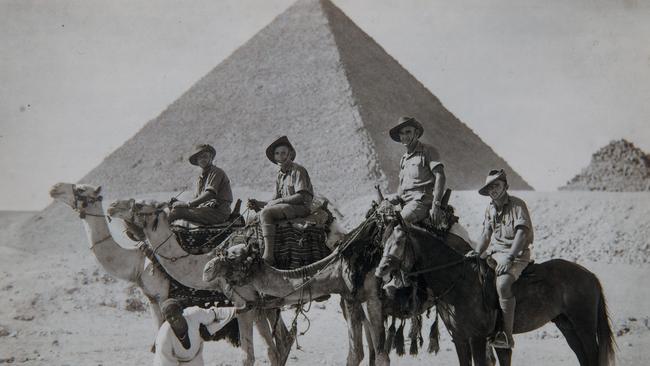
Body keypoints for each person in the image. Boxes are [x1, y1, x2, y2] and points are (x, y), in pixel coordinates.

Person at [466, 169, 534, 349]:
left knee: (503, 284)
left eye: (496, 185)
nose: (493, 190)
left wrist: (509, 258)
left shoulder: (518, 205)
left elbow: (521, 234)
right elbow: (486, 234)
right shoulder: (489, 208)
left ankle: (506, 335)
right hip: (496, 254)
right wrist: (477, 251)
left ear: (506, 186)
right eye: (490, 187)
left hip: (516, 255)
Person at [379, 116, 447, 293]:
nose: (404, 136)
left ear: (416, 132)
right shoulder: (404, 159)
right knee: (379, 223)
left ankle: (400, 277)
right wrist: (391, 199)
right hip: (406, 202)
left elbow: (440, 176)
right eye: (401, 133)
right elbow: (402, 189)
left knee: (399, 228)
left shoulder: (428, 151)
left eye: (408, 132)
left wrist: (436, 205)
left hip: (422, 201)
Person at [246, 136, 314, 265]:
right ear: (274, 157)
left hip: (301, 208)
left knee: (266, 213)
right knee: (254, 217)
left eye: (283, 153)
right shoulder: (279, 175)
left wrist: (279, 202)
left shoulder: (298, 170)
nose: (280, 156)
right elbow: (273, 200)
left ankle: (269, 255)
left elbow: (301, 197)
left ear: (290, 154)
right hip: (286, 207)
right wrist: (258, 203)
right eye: (277, 153)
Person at [153, 299, 246, 366]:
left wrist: (238, 310)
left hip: (195, 359)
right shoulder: (164, 337)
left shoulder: (194, 314)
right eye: (169, 317)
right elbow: (166, 363)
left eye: (175, 313)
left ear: (181, 311)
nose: (173, 319)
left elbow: (216, 313)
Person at [168, 144, 233, 226]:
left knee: (177, 212)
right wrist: (179, 203)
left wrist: (187, 204)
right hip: (205, 210)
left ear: (211, 158)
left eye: (205, 156)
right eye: (200, 157)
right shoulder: (200, 179)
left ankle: (161, 237)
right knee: (172, 208)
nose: (203, 159)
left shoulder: (216, 172)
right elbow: (197, 200)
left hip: (218, 212)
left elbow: (210, 194)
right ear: (197, 161)